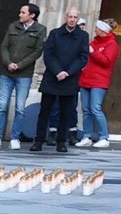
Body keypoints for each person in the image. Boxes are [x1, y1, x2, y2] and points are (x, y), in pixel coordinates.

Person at [38, 9, 93, 152]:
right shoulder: (55, 33)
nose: (72, 20)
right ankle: (38, 141)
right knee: (45, 110)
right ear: (66, 17)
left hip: (70, 78)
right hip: (52, 76)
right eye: (70, 17)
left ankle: (61, 142)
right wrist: (57, 71)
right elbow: (48, 55)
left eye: (75, 17)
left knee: (66, 112)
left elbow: (83, 57)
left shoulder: (82, 36)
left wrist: (68, 72)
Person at [0, 3, 44, 147]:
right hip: (6, 72)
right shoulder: (13, 26)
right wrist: (8, 62)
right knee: (2, 105)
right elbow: (4, 46)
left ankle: (15, 138)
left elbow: (37, 51)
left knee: (20, 107)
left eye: (23, 12)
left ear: (32, 15)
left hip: (24, 74)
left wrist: (20, 65)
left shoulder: (40, 29)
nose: (20, 15)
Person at [81, 18, 120, 149]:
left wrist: (93, 52)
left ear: (103, 30)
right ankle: (87, 136)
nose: (95, 30)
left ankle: (104, 137)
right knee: (86, 110)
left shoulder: (112, 44)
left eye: (98, 28)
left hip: (99, 80)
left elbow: (106, 61)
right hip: (86, 78)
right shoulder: (95, 41)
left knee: (95, 109)